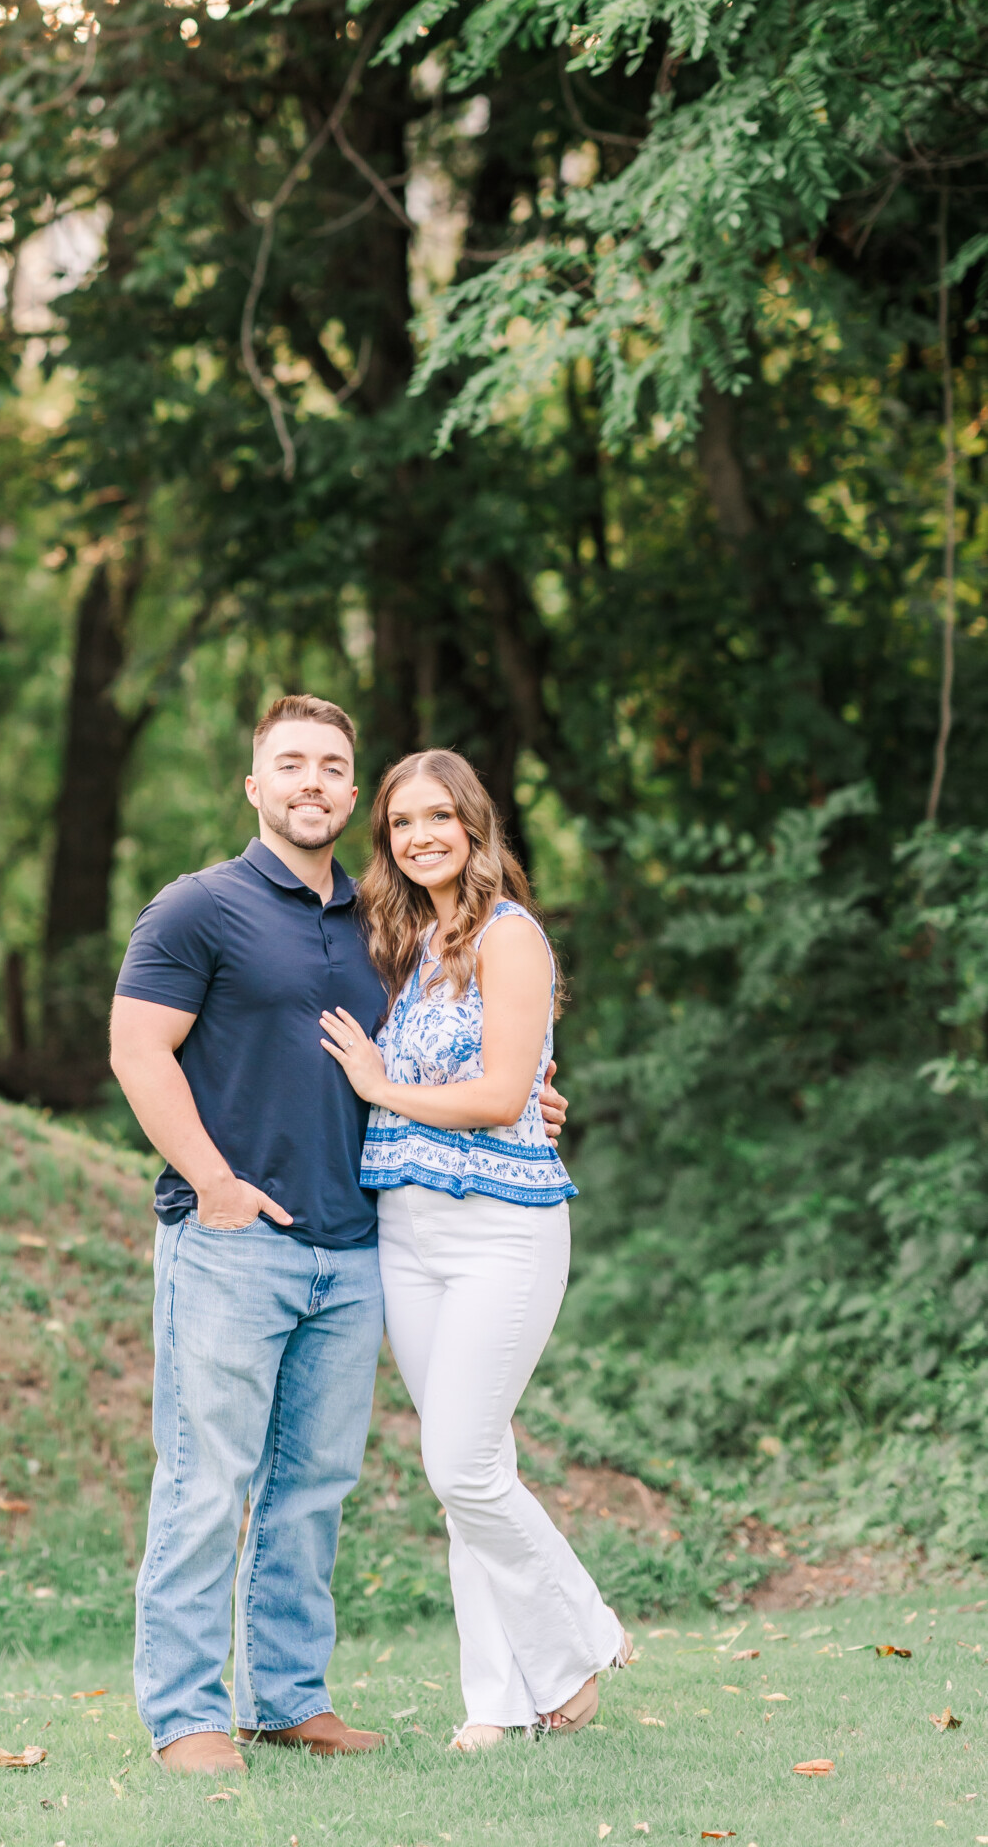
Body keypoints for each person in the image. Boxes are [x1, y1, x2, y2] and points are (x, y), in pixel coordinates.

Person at [110, 699, 569, 1774]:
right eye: (290, 764)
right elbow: (139, 1050)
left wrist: (535, 1098)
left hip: (361, 1242)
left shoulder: (388, 921)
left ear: (352, 794)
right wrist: (212, 1182)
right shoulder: (198, 908)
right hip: (233, 1240)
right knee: (204, 1480)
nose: (311, 781)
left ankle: (288, 1700)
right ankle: (184, 1715)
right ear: (255, 785)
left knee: (313, 1488)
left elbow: (463, 1044)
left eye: (331, 766)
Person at [319, 747, 629, 1749]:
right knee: (470, 1461)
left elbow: (500, 1097)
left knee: (460, 1462)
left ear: (476, 825)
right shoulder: (411, 944)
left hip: (503, 1228)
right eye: (402, 822)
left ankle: (578, 1635)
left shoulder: (511, 936)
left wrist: (383, 1089)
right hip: (407, 1231)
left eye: (439, 816)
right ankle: (493, 1703)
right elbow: (508, 1086)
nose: (420, 835)